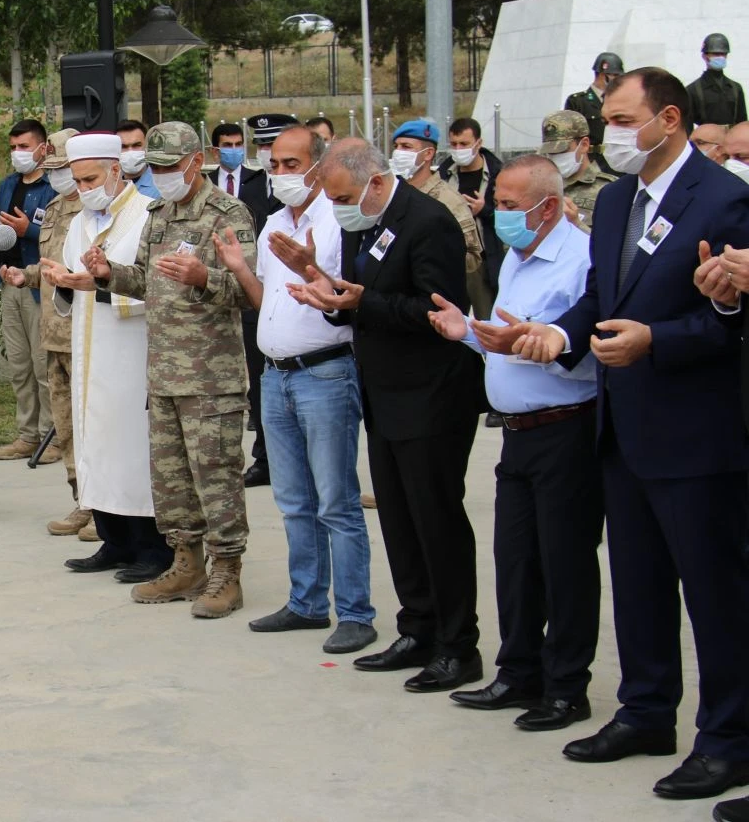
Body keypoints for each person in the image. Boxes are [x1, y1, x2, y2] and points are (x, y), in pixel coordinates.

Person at [511, 67, 749, 801]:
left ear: (668, 118)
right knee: (639, 585)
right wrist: (558, 333)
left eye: (620, 119)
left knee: (716, 596)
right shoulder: (616, 202)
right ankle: (647, 711)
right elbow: (600, 298)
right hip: (623, 429)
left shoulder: (725, 199)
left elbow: (730, 320)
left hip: (697, 434)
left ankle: (730, 737)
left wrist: (659, 339)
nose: (609, 134)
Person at [288, 139, 484, 693]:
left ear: (375, 181)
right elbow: (361, 300)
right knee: (398, 519)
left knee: (435, 519)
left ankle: (456, 645)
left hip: (431, 396)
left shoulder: (428, 222)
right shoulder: (365, 223)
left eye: (344, 196)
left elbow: (438, 311)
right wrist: (327, 294)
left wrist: (356, 303)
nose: (339, 207)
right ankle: (417, 628)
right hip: (385, 394)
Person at [428, 155, 603, 733]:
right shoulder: (518, 257)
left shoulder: (581, 260)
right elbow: (507, 337)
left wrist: (533, 341)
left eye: (508, 206)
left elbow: (580, 350)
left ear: (547, 206)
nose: (498, 215)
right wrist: (470, 333)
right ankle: (518, 671)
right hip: (517, 434)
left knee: (565, 563)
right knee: (517, 560)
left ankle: (566, 686)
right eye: (497, 202)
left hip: (566, 427)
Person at [214, 125, 378, 654]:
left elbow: (344, 298)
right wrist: (241, 268)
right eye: (274, 163)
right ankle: (306, 602)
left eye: (291, 164)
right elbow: (270, 300)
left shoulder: (341, 220)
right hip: (275, 374)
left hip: (326, 371)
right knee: (292, 500)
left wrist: (311, 268)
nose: (281, 174)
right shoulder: (273, 224)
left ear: (317, 164)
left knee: (335, 500)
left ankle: (355, 611)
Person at [81, 122, 255, 617]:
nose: (160, 176)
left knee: (217, 478)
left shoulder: (227, 214)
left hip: (210, 377)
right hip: (161, 375)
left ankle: (227, 572)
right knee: (173, 480)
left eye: (168, 167)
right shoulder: (158, 215)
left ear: (196, 162)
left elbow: (250, 291)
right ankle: (186, 562)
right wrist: (107, 274)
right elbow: (145, 281)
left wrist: (206, 278)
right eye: (153, 168)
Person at [42, 133, 168, 582]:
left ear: (116, 171)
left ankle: (153, 549)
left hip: (131, 350)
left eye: (91, 178)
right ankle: (113, 542)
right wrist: (61, 280)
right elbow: (74, 280)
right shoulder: (79, 220)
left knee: (133, 448)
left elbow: (156, 287)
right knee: (96, 442)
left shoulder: (148, 217)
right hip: (90, 349)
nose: (83, 189)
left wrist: (95, 284)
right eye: (77, 181)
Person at [1, 130, 95, 539]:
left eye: (65, 170)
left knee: (96, 426)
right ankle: (82, 501)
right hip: (55, 333)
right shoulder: (56, 208)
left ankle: (107, 510)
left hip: (89, 336)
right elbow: (52, 264)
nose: (59, 178)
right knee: (67, 425)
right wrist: (27, 274)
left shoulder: (99, 211)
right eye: (54, 169)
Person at [0, 118, 57, 462]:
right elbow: (1, 233)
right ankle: (27, 435)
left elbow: (57, 233)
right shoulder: (6, 185)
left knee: (43, 363)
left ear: (43, 148)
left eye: (25, 147)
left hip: (39, 285)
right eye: (13, 147)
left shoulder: (53, 186)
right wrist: (0, 264)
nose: (18, 153)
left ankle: (52, 436)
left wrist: (27, 229)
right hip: (9, 282)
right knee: (19, 364)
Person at [236, 116, 292, 489]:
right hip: (260, 297)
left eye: (275, 146)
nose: (268, 154)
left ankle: (289, 457)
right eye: (263, 146)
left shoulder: (305, 191)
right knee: (259, 381)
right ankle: (266, 456)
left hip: (302, 302)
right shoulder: (252, 186)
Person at [389, 119, 485, 280]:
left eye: (406, 147)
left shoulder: (449, 200)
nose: (398, 152)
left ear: (428, 153)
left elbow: (472, 257)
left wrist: (430, 257)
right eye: (396, 146)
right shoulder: (392, 193)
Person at [441, 118, 504, 318]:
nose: (458, 149)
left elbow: (512, 216)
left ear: (478, 143)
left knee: (485, 317)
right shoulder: (444, 175)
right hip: (450, 258)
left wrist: (485, 210)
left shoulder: (498, 173)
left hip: (484, 258)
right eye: (454, 144)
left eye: (464, 144)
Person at [541, 110, 615, 234]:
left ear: (584, 145)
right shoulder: (542, 187)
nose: (556, 157)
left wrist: (577, 224)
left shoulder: (609, 189)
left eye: (562, 150)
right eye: (551, 152)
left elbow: (611, 245)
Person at [564, 51, 623, 172]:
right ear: (603, 74)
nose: (619, 80)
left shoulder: (621, 101)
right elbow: (571, 138)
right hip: (592, 163)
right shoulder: (578, 101)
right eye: (615, 76)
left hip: (617, 163)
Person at [687, 33, 748, 130]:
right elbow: (687, 126)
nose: (720, 57)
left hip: (731, 141)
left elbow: (743, 124)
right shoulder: (692, 90)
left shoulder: (736, 89)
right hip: (705, 142)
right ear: (705, 56)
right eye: (715, 54)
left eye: (723, 54)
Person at [116, 120, 160, 197]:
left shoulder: (162, 185)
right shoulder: (110, 187)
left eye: (136, 145)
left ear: (147, 147)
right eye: (123, 146)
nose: (130, 151)